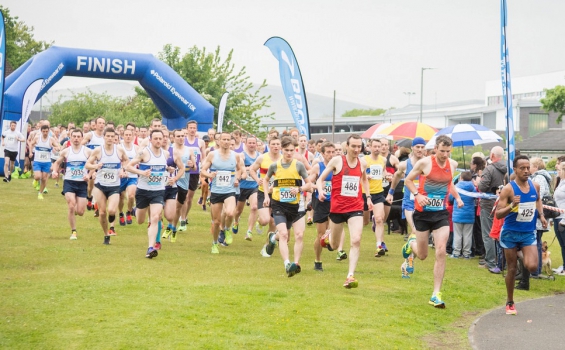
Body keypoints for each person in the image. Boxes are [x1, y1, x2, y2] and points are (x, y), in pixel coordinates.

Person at [402, 135, 463, 308]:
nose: (445, 154)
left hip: (440, 214)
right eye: (442, 151)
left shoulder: (452, 164)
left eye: (448, 151)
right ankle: (410, 245)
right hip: (422, 214)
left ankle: (436, 294)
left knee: (441, 250)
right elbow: (408, 180)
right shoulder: (425, 163)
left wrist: (457, 198)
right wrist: (417, 195)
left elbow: (450, 183)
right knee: (422, 255)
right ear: (435, 148)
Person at [317, 134, 372, 288]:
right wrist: (321, 191)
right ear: (347, 146)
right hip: (337, 209)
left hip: (355, 207)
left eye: (359, 146)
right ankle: (328, 236)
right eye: (353, 146)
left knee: (356, 240)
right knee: (334, 246)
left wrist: (368, 197)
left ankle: (350, 276)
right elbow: (320, 179)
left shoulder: (362, 163)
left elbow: (364, 179)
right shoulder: (337, 161)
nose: (356, 149)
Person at [495, 155, 547, 315]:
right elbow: (498, 214)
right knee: (511, 268)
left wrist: (541, 215)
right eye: (522, 168)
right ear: (515, 170)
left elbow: (538, 200)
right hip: (510, 233)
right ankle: (510, 301)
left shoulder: (535, 186)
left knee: (532, 267)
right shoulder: (508, 189)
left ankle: (520, 251)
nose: (526, 171)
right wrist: (512, 205)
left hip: (527, 233)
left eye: (528, 167)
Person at [263, 136, 311, 277]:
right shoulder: (274, 166)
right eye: (287, 150)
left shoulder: (298, 165)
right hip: (279, 205)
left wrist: (299, 189)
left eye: (292, 150)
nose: (289, 153)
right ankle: (287, 264)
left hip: (296, 206)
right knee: (284, 235)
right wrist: (266, 196)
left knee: (299, 235)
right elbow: (265, 181)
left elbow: (308, 184)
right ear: (282, 150)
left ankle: (295, 263)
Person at [126, 129, 176, 258]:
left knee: (155, 217)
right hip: (142, 191)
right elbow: (129, 166)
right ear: (151, 139)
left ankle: (150, 248)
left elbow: (160, 168)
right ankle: (135, 210)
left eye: (161, 138)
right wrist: (142, 173)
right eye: (156, 138)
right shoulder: (143, 153)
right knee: (140, 220)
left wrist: (168, 170)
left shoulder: (165, 154)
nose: (159, 141)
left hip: (158, 191)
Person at [85, 127, 130, 244]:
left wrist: (123, 170)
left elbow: (126, 161)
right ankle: (106, 234)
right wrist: (95, 167)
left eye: (112, 137)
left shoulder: (119, 150)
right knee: (102, 212)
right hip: (100, 185)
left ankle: (112, 220)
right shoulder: (98, 151)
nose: (110, 138)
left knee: (111, 210)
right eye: (108, 136)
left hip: (114, 186)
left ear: (115, 138)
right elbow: (87, 164)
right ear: (104, 137)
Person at [200, 131, 242, 253]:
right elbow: (203, 170)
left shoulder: (235, 156)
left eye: (228, 140)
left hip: (230, 190)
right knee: (217, 221)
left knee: (230, 213)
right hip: (216, 191)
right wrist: (210, 174)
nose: (226, 142)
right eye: (224, 139)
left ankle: (227, 229)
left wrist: (237, 179)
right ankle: (214, 243)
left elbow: (239, 169)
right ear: (218, 141)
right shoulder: (212, 155)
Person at [51, 129, 92, 239]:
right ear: (70, 137)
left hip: (82, 183)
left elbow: (94, 165)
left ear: (82, 138)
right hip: (69, 182)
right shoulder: (66, 151)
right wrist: (55, 171)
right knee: (71, 205)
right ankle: (73, 231)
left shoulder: (87, 151)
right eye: (74, 136)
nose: (76, 138)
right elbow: (57, 163)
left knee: (81, 211)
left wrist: (89, 175)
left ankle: (75, 213)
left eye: (79, 136)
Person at [308, 141, 341, 271]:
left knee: (333, 230)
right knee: (320, 233)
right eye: (328, 152)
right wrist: (318, 186)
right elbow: (309, 182)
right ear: (322, 153)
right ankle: (317, 260)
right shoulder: (318, 167)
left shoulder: (338, 167)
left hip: (335, 202)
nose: (331, 155)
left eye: (333, 152)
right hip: (321, 202)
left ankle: (330, 240)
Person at [386, 137, 427, 237]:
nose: (420, 149)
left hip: (424, 202)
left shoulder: (428, 164)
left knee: (422, 233)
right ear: (412, 147)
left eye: (422, 147)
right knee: (415, 230)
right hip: (409, 202)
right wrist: (390, 192)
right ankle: (411, 250)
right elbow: (396, 176)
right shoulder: (404, 164)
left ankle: (411, 249)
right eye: (417, 147)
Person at [249, 136, 282, 257]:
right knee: (265, 220)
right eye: (273, 144)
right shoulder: (262, 158)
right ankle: (259, 221)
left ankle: (267, 246)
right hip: (264, 192)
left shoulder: (284, 159)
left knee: (273, 222)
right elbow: (252, 170)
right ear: (269, 145)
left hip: (277, 194)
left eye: (278, 144)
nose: (275, 146)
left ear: (281, 146)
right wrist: (258, 179)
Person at [479, 146, 508, 272]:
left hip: (489, 205)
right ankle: (503, 262)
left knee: (489, 234)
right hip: (506, 205)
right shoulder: (509, 169)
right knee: (503, 233)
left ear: (492, 156)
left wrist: (479, 180)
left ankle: (491, 262)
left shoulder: (489, 169)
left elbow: (482, 187)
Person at [363, 138, 390, 257]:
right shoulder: (364, 160)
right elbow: (358, 175)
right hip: (364, 193)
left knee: (380, 219)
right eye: (375, 146)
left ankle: (379, 245)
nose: (378, 148)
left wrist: (387, 176)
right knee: (364, 222)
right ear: (369, 147)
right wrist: (366, 176)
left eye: (379, 146)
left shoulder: (383, 160)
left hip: (378, 193)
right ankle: (372, 220)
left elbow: (383, 171)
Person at [178, 120, 206, 230]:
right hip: (184, 171)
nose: (192, 130)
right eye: (190, 128)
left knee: (189, 198)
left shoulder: (200, 142)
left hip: (194, 172)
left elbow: (203, 158)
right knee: (183, 196)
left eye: (194, 128)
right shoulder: (182, 140)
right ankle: (182, 219)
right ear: (187, 129)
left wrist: (202, 167)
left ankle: (185, 215)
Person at [234, 136, 260, 241]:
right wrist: (248, 168)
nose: (252, 144)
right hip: (242, 186)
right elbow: (239, 167)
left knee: (254, 207)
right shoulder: (242, 155)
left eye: (253, 143)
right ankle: (236, 221)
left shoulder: (259, 156)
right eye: (250, 142)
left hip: (254, 186)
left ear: (256, 144)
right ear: (245, 143)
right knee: (238, 210)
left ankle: (249, 231)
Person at [449, 171, 477, 259]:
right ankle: (466, 253)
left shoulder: (456, 187)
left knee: (457, 234)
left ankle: (456, 252)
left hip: (458, 214)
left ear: (461, 178)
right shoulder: (473, 187)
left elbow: (450, 198)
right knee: (467, 235)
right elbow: (475, 197)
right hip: (469, 215)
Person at [29, 124, 60, 199]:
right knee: (37, 176)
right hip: (37, 161)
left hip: (46, 162)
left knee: (44, 178)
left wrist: (57, 148)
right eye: (44, 131)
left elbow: (58, 146)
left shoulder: (51, 139)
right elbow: (31, 144)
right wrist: (30, 152)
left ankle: (40, 193)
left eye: (46, 131)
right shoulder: (37, 138)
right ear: (41, 131)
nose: (45, 133)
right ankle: (35, 180)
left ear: (48, 131)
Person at [117, 128, 139, 226]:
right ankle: (121, 213)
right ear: (123, 136)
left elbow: (141, 159)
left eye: (130, 135)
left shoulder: (137, 148)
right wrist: (122, 170)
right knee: (120, 197)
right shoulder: (118, 147)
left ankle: (129, 212)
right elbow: (117, 161)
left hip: (132, 176)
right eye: (126, 135)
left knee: (131, 196)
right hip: (121, 176)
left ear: (133, 136)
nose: (128, 137)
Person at [552, 162, 565, 276]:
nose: (558, 172)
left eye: (560, 170)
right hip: (557, 216)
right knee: (562, 244)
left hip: (563, 217)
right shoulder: (560, 182)